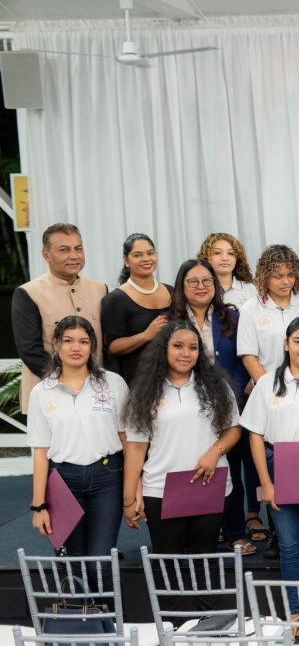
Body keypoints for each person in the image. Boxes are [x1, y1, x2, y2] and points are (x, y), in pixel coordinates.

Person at [242, 317, 299, 642]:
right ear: (286, 344)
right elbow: (254, 434)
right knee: (290, 547)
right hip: (276, 466)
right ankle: (294, 613)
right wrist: (266, 483)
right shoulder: (268, 383)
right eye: (298, 341)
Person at [122, 321, 241, 559]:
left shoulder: (216, 387)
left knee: (204, 562)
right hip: (161, 489)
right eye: (178, 346)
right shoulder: (144, 391)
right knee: (168, 565)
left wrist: (214, 452)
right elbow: (135, 446)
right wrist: (128, 498)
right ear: (163, 348)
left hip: (209, 483)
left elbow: (234, 429)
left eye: (193, 347)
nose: (186, 354)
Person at [168, 258, 258, 556]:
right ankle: (199, 528)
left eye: (207, 281)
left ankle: (235, 532)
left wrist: (240, 390)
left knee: (230, 467)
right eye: (192, 281)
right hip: (186, 405)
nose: (201, 287)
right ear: (182, 286)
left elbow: (246, 355)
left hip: (229, 404)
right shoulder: (169, 322)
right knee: (190, 465)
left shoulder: (231, 318)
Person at [28, 317, 127, 571]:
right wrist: (39, 505)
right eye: (68, 341)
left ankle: (111, 612)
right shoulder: (41, 392)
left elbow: (128, 439)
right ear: (56, 345)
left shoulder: (113, 383)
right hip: (63, 480)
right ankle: (83, 612)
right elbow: (40, 452)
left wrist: (133, 490)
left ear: (92, 346)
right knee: (73, 562)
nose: (76, 348)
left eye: (84, 342)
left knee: (100, 563)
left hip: (107, 477)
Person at [12, 223, 108, 412]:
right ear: (46, 254)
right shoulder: (28, 293)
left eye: (78, 249)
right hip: (49, 396)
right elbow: (30, 350)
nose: (74, 256)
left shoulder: (100, 289)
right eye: (64, 250)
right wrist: (69, 382)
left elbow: (108, 342)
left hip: (97, 394)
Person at [100, 233, 172, 383]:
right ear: (126, 260)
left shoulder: (172, 291)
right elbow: (112, 347)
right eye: (138, 255)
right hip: (137, 379)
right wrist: (146, 335)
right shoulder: (116, 299)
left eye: (150, 253)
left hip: (172, 376)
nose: (146, 259)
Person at [238, 245, 299, 385]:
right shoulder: (250, 309)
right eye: (278, 276)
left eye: (290, 274)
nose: (286, 282)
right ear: (265, 276)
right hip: (270, 386)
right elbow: (249, 356)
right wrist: (270, 388)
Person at [197, 233, 254, 309]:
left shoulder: (250, 290)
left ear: (237, 259)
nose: (225, 258)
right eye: (217, 253)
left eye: (230, 253)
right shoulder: (199, 290)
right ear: (206, 257)